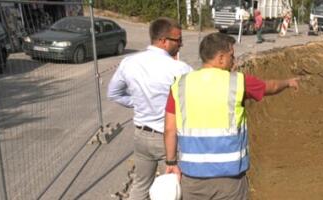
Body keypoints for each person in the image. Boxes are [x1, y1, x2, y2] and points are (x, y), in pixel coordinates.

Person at [163, 33, 299, 199]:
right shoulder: (238, 82)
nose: (234, 61)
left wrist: (171, 162)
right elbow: (270, 86)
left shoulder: (180, 84)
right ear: (221, 58)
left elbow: (170, 129)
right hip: (229, 180)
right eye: (231, 56)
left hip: (192, 179)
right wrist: (288, 82)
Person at [107, 17, 193, 200]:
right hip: (169, 139)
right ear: (163, 40)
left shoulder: (129, 63)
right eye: (178, 40)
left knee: (140, 186)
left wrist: (137, 102)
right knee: (173, 190)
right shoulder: (180, 69)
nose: (181, 44)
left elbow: (113, 93)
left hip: (141, 136)